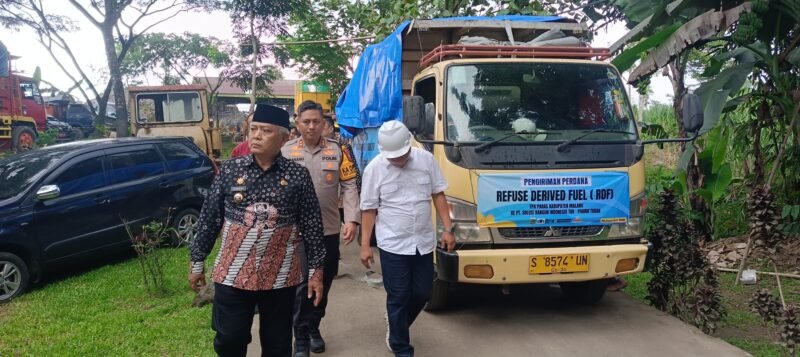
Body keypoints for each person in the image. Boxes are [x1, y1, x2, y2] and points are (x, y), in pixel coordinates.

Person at [188, 104, 326, 357]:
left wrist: (316, 272)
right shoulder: (230, 170)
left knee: (277, 345)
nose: (257, 136)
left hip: (280, 277)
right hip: (232, 274)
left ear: (285, 138)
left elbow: (312, 226)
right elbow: (209, 218)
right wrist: (198, 261)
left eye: (265, 131)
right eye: (253, 129)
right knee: (229, 339)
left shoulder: (298, 176)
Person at [359, 120, 456, 357]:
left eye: (401, 155)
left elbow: (438, 194)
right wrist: (364, 246)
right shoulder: (375, 169)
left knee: (422, 293)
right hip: (392, 243)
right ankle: (401, 346)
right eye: (392, 157)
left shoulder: (425, 160)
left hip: (422, 241)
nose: (398, 160)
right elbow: (369, 209)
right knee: (399, 295)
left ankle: (395, 323)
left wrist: (447, 228)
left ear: (409, 145)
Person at [282, 100, 361, 356]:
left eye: (317, 121)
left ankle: (314, 326)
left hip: (328, 229)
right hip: (296, 232)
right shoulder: (285, 151)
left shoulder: (339, 151)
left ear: (324, 123)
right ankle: (301, 337)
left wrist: (351, 219)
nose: (312, 126)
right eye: (306, 122)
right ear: (298, 123)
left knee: (325, 282)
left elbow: (349, 185)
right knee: (304, 282)